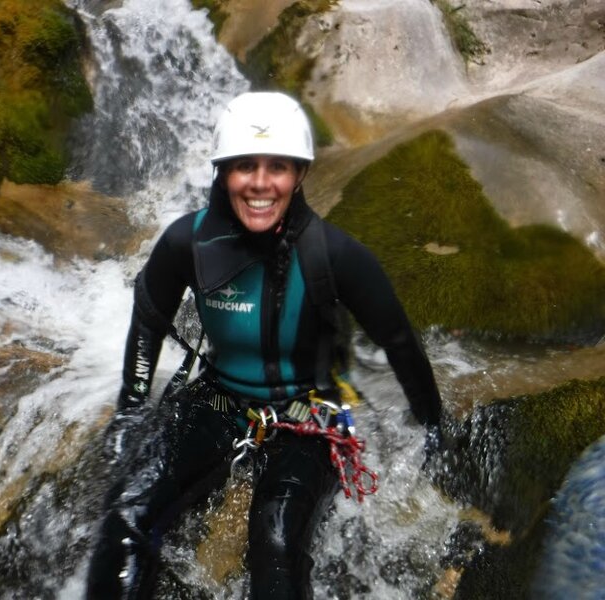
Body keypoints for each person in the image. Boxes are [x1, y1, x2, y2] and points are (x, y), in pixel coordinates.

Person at [85, 91, 443, 599]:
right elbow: (148, 320)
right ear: (223, 172)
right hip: (217, 401)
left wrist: (433, 430)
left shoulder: (335, 255)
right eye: (244, 166)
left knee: (275, 541)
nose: (259, 183)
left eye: (277, 166)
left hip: (308, 416)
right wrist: (129, 409)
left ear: (299, 175)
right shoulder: (186, 243)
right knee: (127, 515)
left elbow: (400, 344)